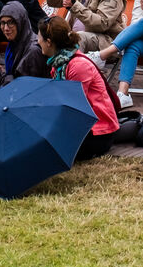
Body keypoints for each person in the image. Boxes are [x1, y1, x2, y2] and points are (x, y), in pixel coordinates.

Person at [38, 17, 119, 160]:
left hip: (98, 132)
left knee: (47, 149)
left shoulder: (77, 66)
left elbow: (73, 107)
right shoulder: (59, 64)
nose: (37, 41)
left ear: (48, 42)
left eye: (39, 38)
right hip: (82, 126)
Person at [0, 1, 47, 99]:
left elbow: (23, 89)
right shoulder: (15, 43)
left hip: (28, 98)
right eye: (2, 23)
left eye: (11, 22)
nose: (6, 28)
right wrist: (2, 70)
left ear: (21, 22)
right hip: (14, 90)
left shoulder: (33, 50)